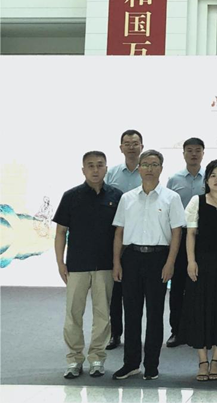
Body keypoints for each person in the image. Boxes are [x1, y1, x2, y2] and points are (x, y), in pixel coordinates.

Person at [111, 150, 186, 381]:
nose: (149, 169)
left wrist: (170, 263)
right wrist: (116, 262)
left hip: (158, 258)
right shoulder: (127, 198)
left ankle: (152, 365)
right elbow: (119, 232)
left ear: (161, 168)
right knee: (131, 313)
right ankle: (131, 363)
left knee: (155, 313)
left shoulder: (171, 198)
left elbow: (177, 233)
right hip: (131, 258)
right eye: (145, 164)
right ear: (139, 168)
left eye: (154, 164)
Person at [54, 151, 123, 379]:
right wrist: (60, 263)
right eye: (90, 166)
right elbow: (60, 232)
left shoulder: (117, 196)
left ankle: (97, 358)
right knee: (73, 314)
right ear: (83, 170)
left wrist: (117, 263)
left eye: (100, 165)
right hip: (77, 265)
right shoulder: (71, 196)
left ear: (106, 169)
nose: (95, 170)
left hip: (105, 265)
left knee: (103, 314)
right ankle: (74, 359)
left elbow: (120, 234)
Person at [179, 159, 217, 381]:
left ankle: (216, 360)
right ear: (206, 180)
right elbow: (190, 234)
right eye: (213, 175)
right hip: (201, 264)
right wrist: (191, 261)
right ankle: (202, 361)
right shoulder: (197, 201)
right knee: (199, 310)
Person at [104, 129, 144, 351]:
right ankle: (115, 333)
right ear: (121, 148)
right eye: (127, 143)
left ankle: (134, 334)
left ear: (142, 147)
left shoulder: (148, 172)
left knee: (136, 293)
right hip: (116, 236)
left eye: (135, 143)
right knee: (115, 290)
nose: (131, 147)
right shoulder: (111, 174)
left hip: (140, 237)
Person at [165, 137, 206, 348]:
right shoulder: (174, 179)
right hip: (180, 237)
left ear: (203, 153)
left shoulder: (211, 177)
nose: (193, 154)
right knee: (178, 285)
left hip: (204, 238)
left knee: (202, 286)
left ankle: (202, 329)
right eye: (189, 150)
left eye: (197, 150)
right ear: (183, 154)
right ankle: (177, 331)